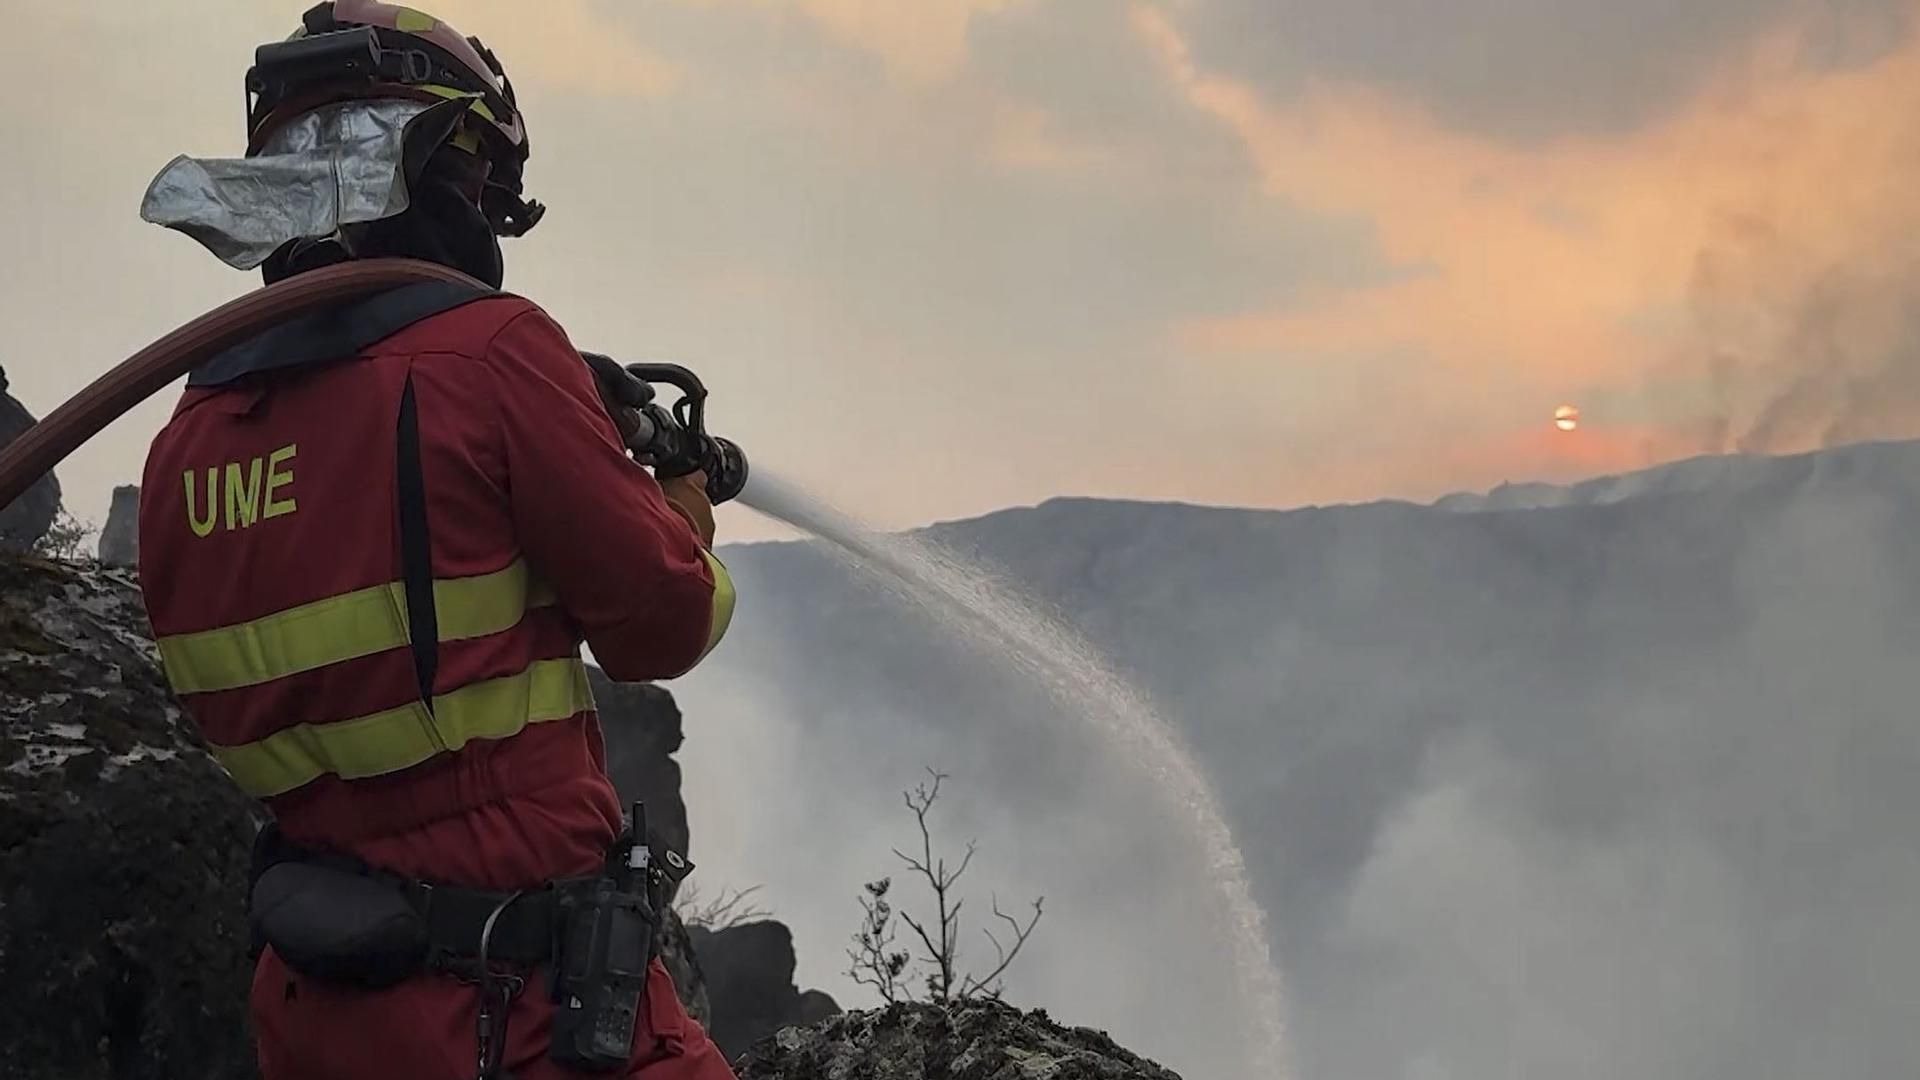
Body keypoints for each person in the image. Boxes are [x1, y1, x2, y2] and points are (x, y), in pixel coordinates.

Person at [134, 3, 738, 1077]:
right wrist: (681, 503)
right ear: (444, 172)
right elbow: (664, 623)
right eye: (477, 183)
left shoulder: (190, 437)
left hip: (316, 1013)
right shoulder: (494, 356)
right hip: (524, 1010)